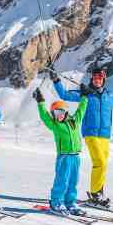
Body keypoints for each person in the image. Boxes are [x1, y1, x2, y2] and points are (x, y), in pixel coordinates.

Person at [51, 66, 113, 206]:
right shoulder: (86, 94)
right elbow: (64, 95)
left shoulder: (110, 96)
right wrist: (56, 79)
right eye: (94, 78)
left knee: (102, 165)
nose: (97, 80)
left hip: (105, 135)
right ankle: (95, 194)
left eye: (99, 78)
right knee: (99, 161)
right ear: (91, 79)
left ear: (104, 79)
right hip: (91, 133)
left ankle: (99, 191)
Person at [33, 87, 88, 215]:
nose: (58, 116)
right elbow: (44, 116)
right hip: (64, 157)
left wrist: (84, 97)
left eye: (60, 112)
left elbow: (81, 110)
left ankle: (70, 203)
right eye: (55, 113)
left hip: (75, 156)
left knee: (73, 181)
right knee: (62, 180)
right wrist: (40, 102)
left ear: (66, 112)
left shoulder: (74, 121)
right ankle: (56, 202)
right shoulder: (55, 125)